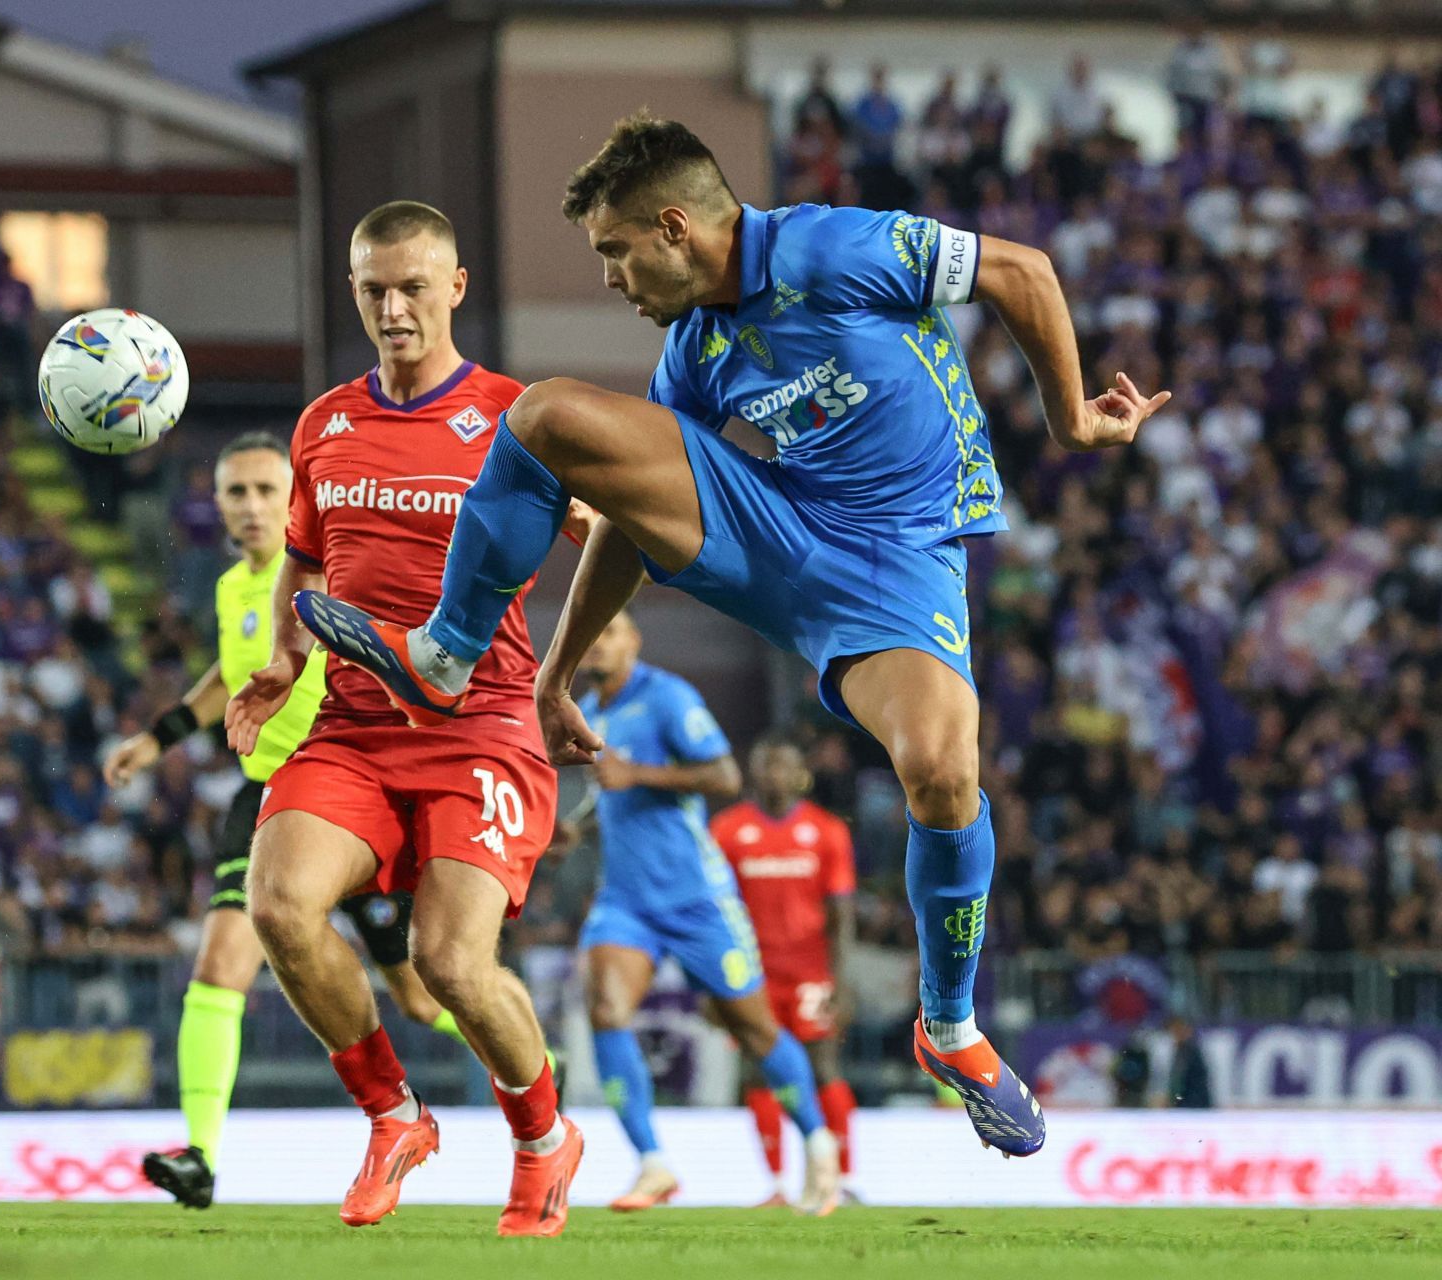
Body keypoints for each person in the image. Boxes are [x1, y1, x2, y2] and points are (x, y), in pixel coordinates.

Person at [296, 113, 1170, 1159]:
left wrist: (1072, 418)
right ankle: (446, 650)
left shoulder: (829, 248)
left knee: (941, 768)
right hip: (781, 535)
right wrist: (557, 672)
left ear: (675, 227)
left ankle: (952, 1027)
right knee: (546, 417)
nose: (613, 280)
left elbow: (1021, 270)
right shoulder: (696, 350)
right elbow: (630, 515)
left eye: (617, 253)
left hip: (896, 562)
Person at [225, 201, 594, 1237]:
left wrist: (563, 670)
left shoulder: (516, 419)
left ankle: (542, 1136)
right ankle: (394, 1115)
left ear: (456, 287)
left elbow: (603, 533)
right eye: (374, 289)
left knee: (451, 960)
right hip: (351, 722)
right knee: (282, 905)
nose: (393, 307)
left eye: (413, 287)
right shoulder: (324, 424)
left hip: (481, 725)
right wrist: (279, 661)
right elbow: (304, 558)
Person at [101, 432, 466, 1209]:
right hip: (267, 796)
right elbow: (224, 679)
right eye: (237, 492)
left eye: (268, 490)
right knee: (219, 965)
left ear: (296, 498)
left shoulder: (338, 576)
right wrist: (155, 739)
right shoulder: (237, 589)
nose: (253, 506)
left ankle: (539, 1069)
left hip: (359, 794)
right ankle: (199, 1153)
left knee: (426, 993)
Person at [571, 613, 840, 1215]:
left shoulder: (667, 696)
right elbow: (613, 795)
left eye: (610, 631)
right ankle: (652, 1162)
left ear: (634, 641)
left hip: (697, 900)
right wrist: (576, 826)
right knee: (606, 1010)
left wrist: (635, 772)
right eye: (591, 633)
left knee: (753, 1029)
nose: (598, 643)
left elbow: (724, 774)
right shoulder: (590, 710)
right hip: (626, 900)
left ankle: (819, 1145)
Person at [710, 736, 859, 1202]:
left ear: (801, 775)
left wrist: (843, 979)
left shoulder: (828, 831)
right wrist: (710, 981)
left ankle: (842, 1178)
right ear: (754, 773)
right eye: (766, 763)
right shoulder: (727, 831)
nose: (774, 773)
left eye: (784, 764)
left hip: (811, 973)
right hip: (751, 976)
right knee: (756, 1074)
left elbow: (842, 915)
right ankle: (774, 1183)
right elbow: (712, 913)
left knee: (823, 1068)